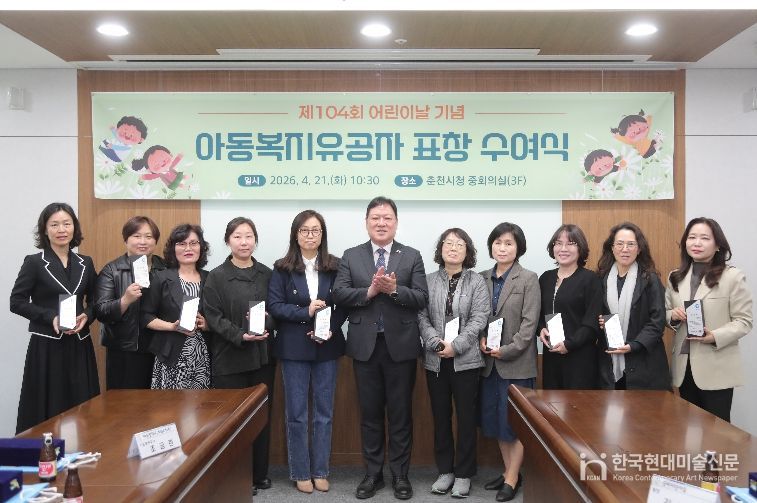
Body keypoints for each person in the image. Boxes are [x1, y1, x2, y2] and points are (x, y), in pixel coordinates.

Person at [333, 196, 429, 500]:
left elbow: (421, 298)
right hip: (365, 348)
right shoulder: (351, 255)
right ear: (366, 222)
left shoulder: (411, 255)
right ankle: (372, 474)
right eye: (375, 218)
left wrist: (395, 289)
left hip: (401, 347)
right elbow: (339, 293)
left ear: (396, 223)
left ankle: (400, 475)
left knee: (400, 414)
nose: (381, 223)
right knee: (370, 414)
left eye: (387, 218)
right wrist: (371, 291)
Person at [268, 210, 346, 494]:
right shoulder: (282, 268)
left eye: (315, 230)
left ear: (322, 235)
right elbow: (275, 306)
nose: (310, 235)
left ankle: (320, 470)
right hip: (294, 349)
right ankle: (300, 471)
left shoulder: (336, 266)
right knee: (297, 413)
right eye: (304, 230)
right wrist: (306, 312)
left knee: (324, 412)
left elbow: (345, 304)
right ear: (296, 235)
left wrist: (330, 328)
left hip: (327, 346)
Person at [10, 202, 99, 433]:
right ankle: (45, 452)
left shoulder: (85, 262)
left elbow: (97, 301)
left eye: (66, 224)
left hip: (79, 344)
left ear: (74, 227)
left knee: (82, 407)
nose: (61, 229)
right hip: (47, 346)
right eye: (54, 224)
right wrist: (51, 317)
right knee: (47, 407)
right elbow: (16, 301)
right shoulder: (34, 262)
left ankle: (83, 452)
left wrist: (87, 316)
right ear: (45, 229)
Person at [202, 217, 276, 494]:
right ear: (228, 241)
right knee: (231, 420)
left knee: (261, 417)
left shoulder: (267, 274)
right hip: (229, 357)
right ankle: (236, 476)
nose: (244, 242)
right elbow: (213, 316)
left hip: (262, 356)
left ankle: (259, 474)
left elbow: (277, 310)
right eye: (237, 237)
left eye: (249, 236)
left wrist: (267, 322)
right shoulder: (216, 276)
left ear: (255, 240)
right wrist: (239, 335)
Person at [417, 228, 488, 498]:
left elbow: (480, 317)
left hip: (466, 361)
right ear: (441, 249)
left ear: (467, 251)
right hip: (435, 361)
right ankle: (445, 470)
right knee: (441, 417)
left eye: (459, 244)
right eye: (448, 243)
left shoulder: (476, 281)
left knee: (466, 418)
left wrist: (456, 346)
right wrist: (435, 343)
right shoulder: (428, 280)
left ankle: (464, 473)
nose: (453, 248)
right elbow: (421, 316)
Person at [665, 217, 752, 422]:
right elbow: (666, 312)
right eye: (692, 237)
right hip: (684, 367)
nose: (697, 243)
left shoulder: (733, 277)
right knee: (688, 429)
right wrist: (674, 316)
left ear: (718, 245)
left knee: (717, 431)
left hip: (716, 367)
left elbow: (744, 321)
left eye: (704, 238)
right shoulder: (675, 276)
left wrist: (714, 336)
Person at [478, 223, 540, 502]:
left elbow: (529, 325)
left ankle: (513, 478)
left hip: (516, 363)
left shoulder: (528, 278)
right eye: (498, 242)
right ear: (491, 246)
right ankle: (509, 472)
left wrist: (506, 350)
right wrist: (481, 339)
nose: (502, 248)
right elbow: (477, 316)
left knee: (515, 424)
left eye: (509, 243)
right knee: (496, 422)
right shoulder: (481, 278)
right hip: (488, 364)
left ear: (518, 248)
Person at [596, 222, 670, 391]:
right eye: (620, 244)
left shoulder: (650, 279)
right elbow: (592, 315)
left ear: (639, 249)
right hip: (608, 364)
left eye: (631, 244)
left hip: (644, 363)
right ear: (612, 248)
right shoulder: (600, 279)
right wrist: (598, 321)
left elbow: (657, 321)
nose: (625, 249)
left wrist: (634, 345)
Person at [94, 216, 165, 389]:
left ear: (155, 241)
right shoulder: (112, 270)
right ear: (126, 240)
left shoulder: (166, 267)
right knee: (126, 402)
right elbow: (101, 311)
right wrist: (125, 300)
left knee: (160, 402)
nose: (143, 241)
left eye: (148, 237)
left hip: (161, 348)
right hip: (126, 350)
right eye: (136, 236)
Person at [141, 223, 210, 390]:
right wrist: (172, 327)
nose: (188, 248)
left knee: (201, 404)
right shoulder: (161, 278)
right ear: (173, 248)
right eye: (182, 243)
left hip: (202, 355)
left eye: (193, 243)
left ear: (201, 247)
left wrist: (207, 325)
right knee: (170, 405)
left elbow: (219, 315)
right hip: (170, 355)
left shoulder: (210, 278)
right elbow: (145, 316)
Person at [538, 224, 602, 390]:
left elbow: (592, 323)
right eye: (558, 243)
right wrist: (541, 329)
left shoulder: (590, 279)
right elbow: (538, 313)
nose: (563, 249)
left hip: (580, 357)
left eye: (570, 244)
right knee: (551, 403)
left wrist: (570, 344)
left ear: (580, 248)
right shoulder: (545, 278)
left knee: (578, 404)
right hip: (552, 356)